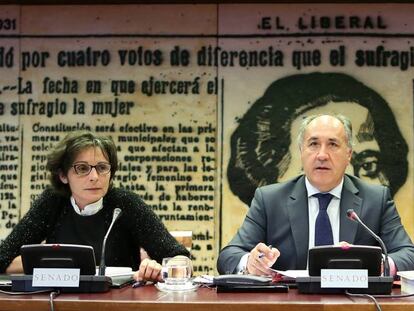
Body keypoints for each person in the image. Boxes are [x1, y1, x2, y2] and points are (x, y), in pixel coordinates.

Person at [217, 114, 414, 276]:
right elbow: (228, 256)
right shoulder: (269, 200)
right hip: (290, 305)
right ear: (302, 152)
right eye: (313, 144)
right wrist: (250, 263)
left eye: (333, 144)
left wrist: (379, 264)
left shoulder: (376, 199)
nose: (322, 154)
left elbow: (408, 254)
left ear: (349, 155)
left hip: (354, 303)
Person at [0, 131, 190, 283]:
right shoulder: (53, 201)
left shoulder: (125, 204)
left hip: (116, 302)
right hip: (60, 301)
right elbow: (3, 258)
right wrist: (51, 264)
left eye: (102, 167)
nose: (94, 177)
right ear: (63, 175)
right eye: (82, 168)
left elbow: (181, 259)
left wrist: (156, 269)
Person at [227, 72, 408, 206]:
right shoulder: (266, 213)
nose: (346, 180)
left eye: (368, 165)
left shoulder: (380, 207)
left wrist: (387, 258)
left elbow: (406, 253)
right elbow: (233, 254)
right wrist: (254, 257)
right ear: (270, 181)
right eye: (319, 166)